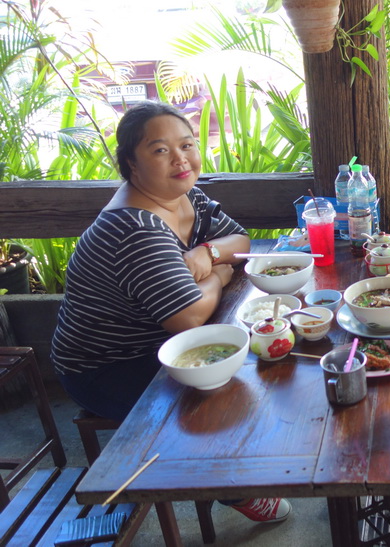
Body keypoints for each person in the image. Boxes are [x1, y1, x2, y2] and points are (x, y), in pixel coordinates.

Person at [51, 101, 290, 523]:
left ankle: (236, 463)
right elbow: (189, 317)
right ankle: (230, 485)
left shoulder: (184, 194)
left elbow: (239, 238)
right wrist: (216, 277)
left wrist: (207, 252)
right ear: (131, 163)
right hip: (108, 367)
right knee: (226, 385)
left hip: (156, 342)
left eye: (187, 144)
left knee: (257, 354)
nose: (181, 158)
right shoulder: (135, 227)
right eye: (160, 150)